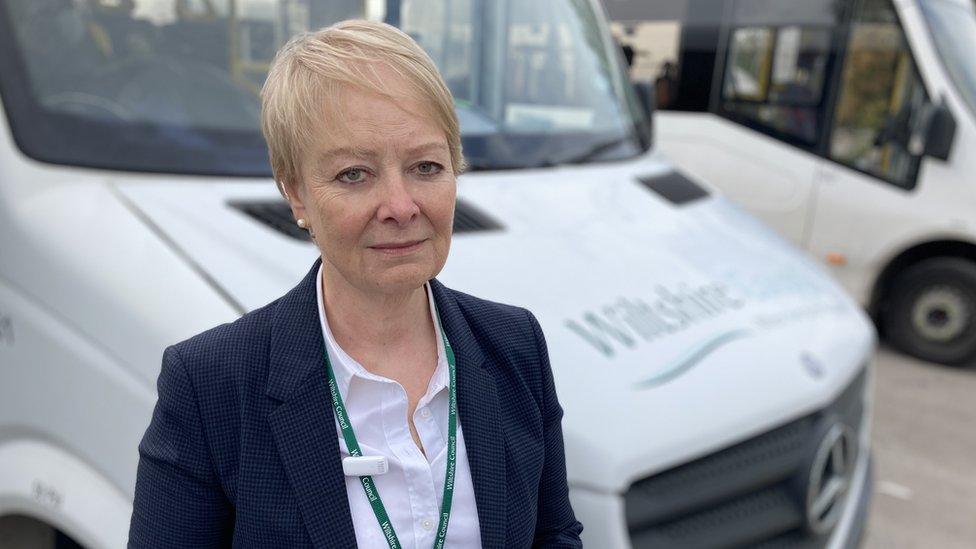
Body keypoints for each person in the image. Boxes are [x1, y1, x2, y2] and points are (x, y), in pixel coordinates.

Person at [127, 19, 583, 548]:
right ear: (296, 193)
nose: (400, 206)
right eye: (353, 174)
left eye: (426, 167)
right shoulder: (211, 387)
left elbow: (554, 535)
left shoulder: (514, 345)